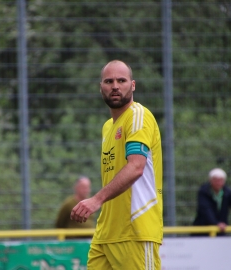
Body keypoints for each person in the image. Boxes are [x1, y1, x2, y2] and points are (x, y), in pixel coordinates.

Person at [70, 60, 163, 269]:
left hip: (135, 232)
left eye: (121, 80)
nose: (115, 86)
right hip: (105, 236)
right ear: (100, 87)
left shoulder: (138, 116)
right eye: (108, 81)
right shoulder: (107, 127)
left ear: (133, 85)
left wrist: (95, 200)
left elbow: (136, 166)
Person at [193, 168, 231, 236]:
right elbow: (206, 210)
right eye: (216, 180)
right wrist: (216, 223)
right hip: (202, 231)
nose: (219, 183)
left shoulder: (227, 193)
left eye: (221, 180)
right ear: (210, 180)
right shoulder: (204, 192)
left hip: (220, 231)